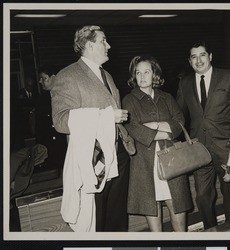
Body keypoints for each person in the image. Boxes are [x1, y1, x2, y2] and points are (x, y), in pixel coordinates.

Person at [51, 25, 130, 231]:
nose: (109, 45)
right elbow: (60, 121)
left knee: (117, 219)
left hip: (118, 154)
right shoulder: (67, 76)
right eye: (104, 41)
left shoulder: (107, 76)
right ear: (89, 45)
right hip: (93, 159)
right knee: (97, 220)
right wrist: (104, 116)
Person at [122, 55, 193, 232]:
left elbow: (179, 123)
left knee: (177, 210)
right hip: (145, 164)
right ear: (134, 76)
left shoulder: (167, 97)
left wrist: (153, 126)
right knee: (154, 220)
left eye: (147, 72)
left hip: (172, 161)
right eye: (138, 73)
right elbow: (134, 129)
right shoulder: (128, 100)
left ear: (154, 74)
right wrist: (165, 131)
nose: (142, 76)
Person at [176, 41, 230, 230]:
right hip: (199, 150)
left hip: (225, 148)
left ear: (210, 56)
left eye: (202, 55)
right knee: (202, 196)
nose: (198, 60)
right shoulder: (185, 83)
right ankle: (212, 230)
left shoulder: (228, 76)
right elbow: (179, 116)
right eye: (194, 57)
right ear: (189, 61)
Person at [35, 65, 67, 171]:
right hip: (49, 147)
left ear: (53, 77)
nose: (40, 82)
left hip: (64, 143)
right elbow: (39, 126)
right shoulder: (41, 99)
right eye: (40, 79)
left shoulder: (65, 96)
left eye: (44, 78)